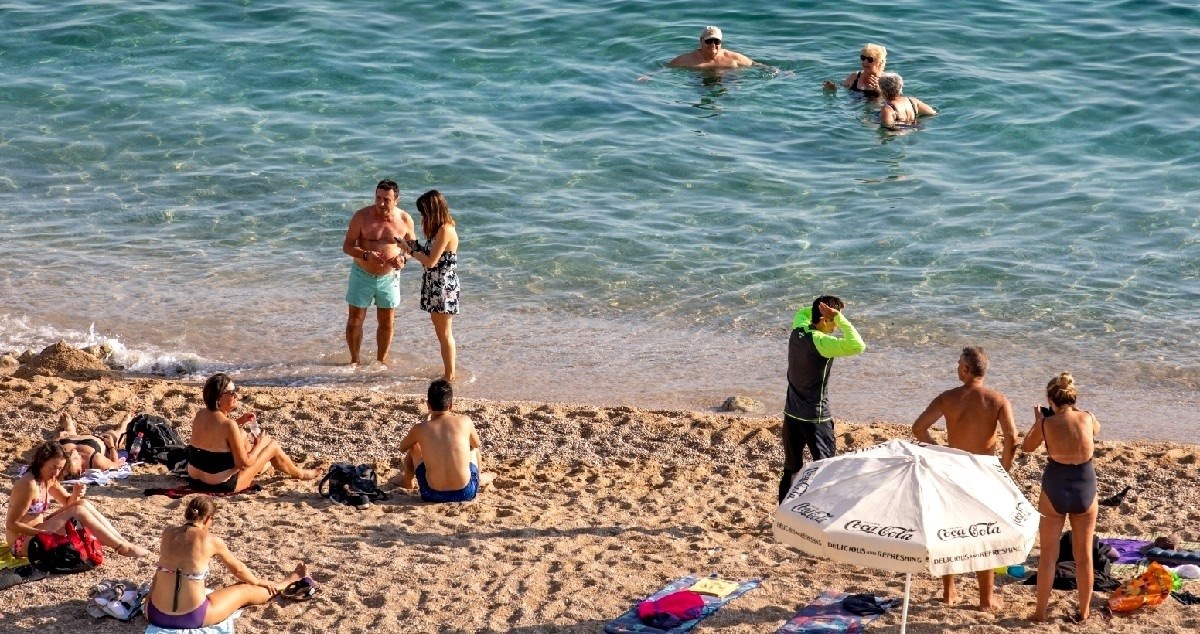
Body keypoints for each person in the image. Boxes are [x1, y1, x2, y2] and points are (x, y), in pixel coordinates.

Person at [912, 346, 1018, 611]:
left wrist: (940, 450)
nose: (956, 367)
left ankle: (949, 593)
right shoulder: (997, 399)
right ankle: (985, 600)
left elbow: (918, 428)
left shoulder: (948, 397)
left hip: (953, 469)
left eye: (958, 363)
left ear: (966, 370)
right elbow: (1012, 440)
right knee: (985, 533)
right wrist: (1003, 469)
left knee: (950, 531)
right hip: (984, 471)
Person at [145, 496, 314, 628]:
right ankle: (286, 583)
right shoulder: (210, 540)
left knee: (164, 572)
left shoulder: (167, 533)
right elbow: (239, 570)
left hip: (154, 613)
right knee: (245, 589)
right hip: (193, 617)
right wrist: (259, 582)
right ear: (208, 519)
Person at [1022, 372, 1100, 623]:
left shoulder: (1046, 424)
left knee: (1048, 556)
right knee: (1084, 556)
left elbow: (1027, 447)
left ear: (1050, 399)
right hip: (1085, 489)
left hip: (1055, 488)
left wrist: (1039, 421)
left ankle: (1040, 613)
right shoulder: (1087, 417)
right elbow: (1095, 430)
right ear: (1073, 396)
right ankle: (1085, 611)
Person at [779, 296, 867, 503]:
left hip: (791, 414)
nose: (837, 324)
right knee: (826, 469)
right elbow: (858, 345)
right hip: (816, 418)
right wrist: (840, 319)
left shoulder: (798, 329)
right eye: (835, 320)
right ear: (826, 319)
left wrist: (820, 309)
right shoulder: (823, 342)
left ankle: (783, 512)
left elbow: (803, 311)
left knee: (791, 469)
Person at [5, 442, 149, 559]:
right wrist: (40, 533)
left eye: (60, 468)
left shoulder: (49, 480)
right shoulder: (29, 485)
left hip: (40, 530)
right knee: (78, 510)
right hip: (22, 542)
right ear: (42, 462)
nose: (56, 472)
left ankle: (123, 542)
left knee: (82, 504)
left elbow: (68, 503)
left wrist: (76, 494)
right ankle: (122, 548)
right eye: (53, 467)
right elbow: (12, 524)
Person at [187, 373, 320, 493]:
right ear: (219, 399)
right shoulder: (229, 425)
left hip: (195, 479)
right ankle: (301, 474)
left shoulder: (200, 415)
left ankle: (262, 466)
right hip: (220, 485)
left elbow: (216, 431)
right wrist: (260, 445)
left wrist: (240, 421)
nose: (236, 396)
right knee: (272, 445)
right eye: (232, 393)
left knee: (242, 434)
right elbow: (243, 464)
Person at [342, 179, 416, 366]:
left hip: (389, 278)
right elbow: (348, 246)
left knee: (387, 321)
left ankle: (381, 362)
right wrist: (366, 254)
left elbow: (414, 248)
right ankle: (354, 361)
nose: (381, 203)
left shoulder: (405, 220)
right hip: (362, 274)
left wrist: (403, 259)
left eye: (386, 200)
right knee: (355, 319)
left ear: (396, 200)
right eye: (378, 198)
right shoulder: (361, 216)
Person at [395, 379, 495, 503]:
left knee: (414, 446)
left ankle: (407, 481)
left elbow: (402, 447)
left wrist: (424, 428)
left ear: (428, 405)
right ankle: (477, 478)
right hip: (465, 493)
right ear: (451, 405)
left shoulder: (419, 428)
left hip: (431, 494)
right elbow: (477, 444)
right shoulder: (465, 421)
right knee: (473, 448)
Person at [397, 190, 461, 381]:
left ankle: (450, 375)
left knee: (445, 333)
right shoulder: (440, 230)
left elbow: (431, 261)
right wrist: (413, 246)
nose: (423, 217)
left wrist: (408, 249)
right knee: (440, 331)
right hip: (434, 284)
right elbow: (429, 254)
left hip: (443, 286)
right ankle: (448, 372)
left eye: (425, 213)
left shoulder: (445, 230)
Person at [56, 412, 127, 475]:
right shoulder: (96, 462)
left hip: (69, 439)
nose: (73, 452)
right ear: (80, 471)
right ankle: (124, 425)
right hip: (100, 441)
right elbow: (115, 465)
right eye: (75, 459)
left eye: (68, 457)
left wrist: (58, 438)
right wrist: (111, 447)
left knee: (64, 439)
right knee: (114, 434)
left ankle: (70, 430)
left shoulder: (62, 459)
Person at [668, 26, 754, 69]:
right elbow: (665, 67)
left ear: (721, 42)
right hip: (699, 82)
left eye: (716, 41)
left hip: (728, 82)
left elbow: (755, 64)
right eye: (709, 41)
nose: (713, 45)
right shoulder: (688, 59)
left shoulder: (732, 57)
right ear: (701, 41)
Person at [823, 43, 887, 97]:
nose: (865, 62)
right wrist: (833, 88)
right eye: (863, 58)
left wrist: (880, 91)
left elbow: (894, 101)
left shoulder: (887, 80)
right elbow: (843, 87)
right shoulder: (855, 77)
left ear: (880, 63)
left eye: (870, 59)